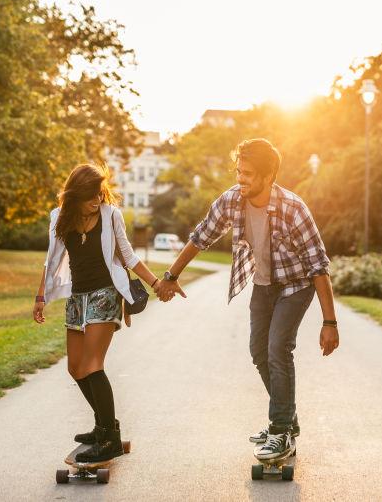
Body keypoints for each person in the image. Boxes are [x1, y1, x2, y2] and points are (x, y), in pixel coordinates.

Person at [157, 138, 340, 461]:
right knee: (259, 352)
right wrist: (171, 276)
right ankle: (287, 418)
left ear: (268, 176)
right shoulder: (232, 200)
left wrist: (330, 322)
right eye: (239, 171)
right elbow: (201, 236)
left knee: (277, 348)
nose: (241, 178)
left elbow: (318, 267)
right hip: (263, 285)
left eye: (249, 174)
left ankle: (280, 429)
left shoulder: (294, 208)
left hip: (295, 286)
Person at [32, 164, 161, 462]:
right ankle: (105, 426)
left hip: (106, 293)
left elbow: (128, 255)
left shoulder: (110, 215)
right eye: (90, 195)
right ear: (76, 195)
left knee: (92, 364)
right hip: (77, 297)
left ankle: (109, 439)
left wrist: (156, 283)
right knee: (75, 368)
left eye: (100, 193)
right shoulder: (60, 218)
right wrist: (40, 297)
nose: (97, 199)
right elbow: (51, 261)